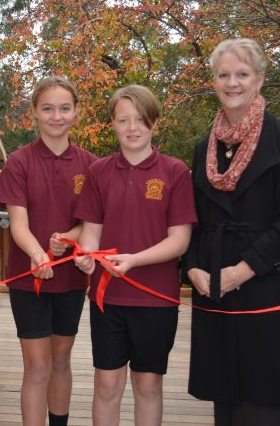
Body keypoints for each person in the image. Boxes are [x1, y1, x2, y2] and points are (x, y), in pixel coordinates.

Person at [183, 38, 280, 426]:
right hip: (217, 285)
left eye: (242, 74)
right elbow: (197, 221)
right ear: (214, 81)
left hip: (266, 282)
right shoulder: (205, 146)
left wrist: (242, 270)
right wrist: (192, 269)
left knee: (261, 403)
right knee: (226, 402)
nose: (232, 82)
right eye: (224, 74)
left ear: (260, 80)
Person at [73, 85, 197, 426]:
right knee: (107, 383)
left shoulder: (174, 172)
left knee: (148, 385)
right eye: (123, 120)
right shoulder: (98, 172)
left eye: (140, 120)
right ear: (112, 123)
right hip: (107, 297)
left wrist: (133, 260)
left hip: (156, 299)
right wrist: (85, 256)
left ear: (154, 123)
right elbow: (91, 231)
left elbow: (180, 240)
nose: (132, 128)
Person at [0, 76, 97, 426]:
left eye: (65, 108)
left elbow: (93, 222)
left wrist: (68, 239)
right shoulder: (19, 163)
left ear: (76, 113)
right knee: (37, 365)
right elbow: (18, 224)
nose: (57, 116)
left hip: (70, 278)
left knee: (60, 361)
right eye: (48, 109)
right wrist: (39, 254)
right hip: (29, 278)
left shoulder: (91, 165)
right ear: (34, 114)